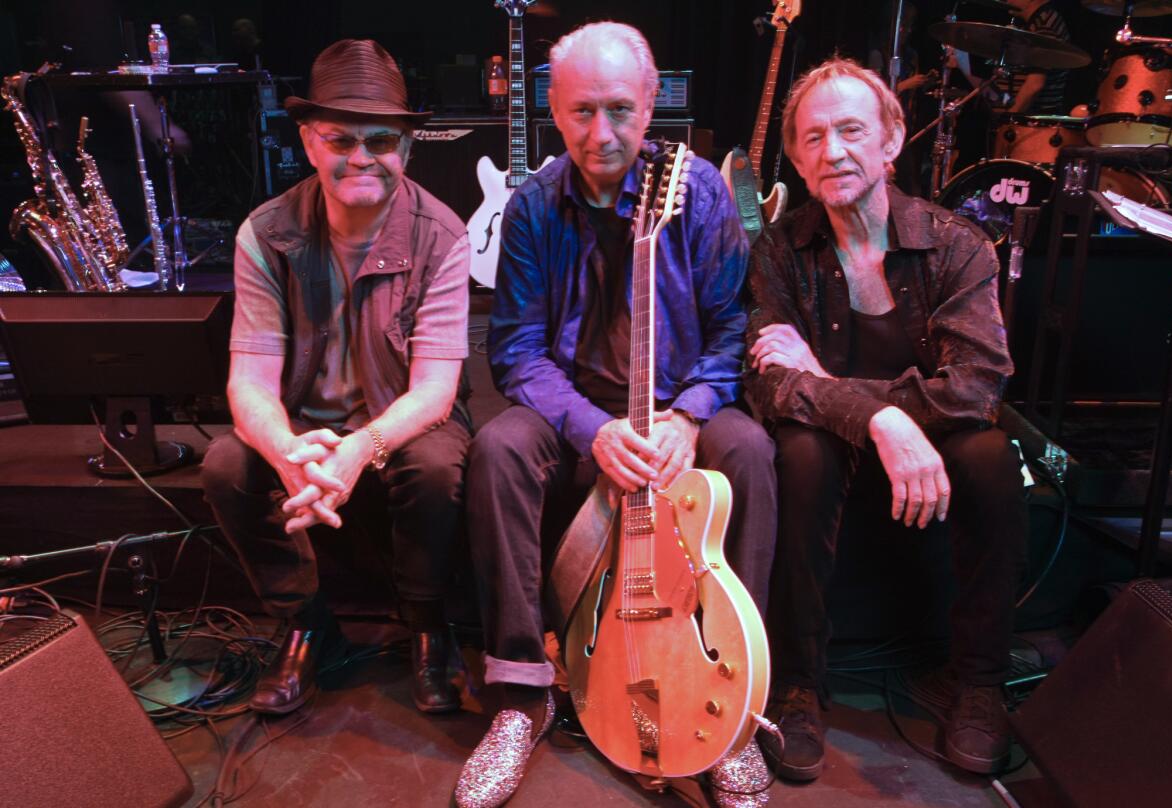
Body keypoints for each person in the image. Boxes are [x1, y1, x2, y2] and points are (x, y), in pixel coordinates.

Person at [455, 21, 778, 808]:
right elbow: (518, 352)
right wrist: (590, 430)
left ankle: (735, 700)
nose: (603, 134)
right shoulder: (533, 207)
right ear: (554, 111)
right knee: (496, 447)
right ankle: (523, 694)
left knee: (753, 454)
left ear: (651, 102)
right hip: (577, 416)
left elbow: (732, 325)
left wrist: (691, 417)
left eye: (622, 111)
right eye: (582, 113)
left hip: (677, 412)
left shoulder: (696, 190)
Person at [745, 57, 1027, 780]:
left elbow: (975, 386)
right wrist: (877, 420)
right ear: (797, 160)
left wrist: (847, 394)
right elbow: (769, 385)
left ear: (892, 141)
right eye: (812, 138)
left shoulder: (957, 243)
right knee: (799, 450)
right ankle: (800, 682)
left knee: (992, 454)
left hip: (933, 443)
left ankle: (979, 682)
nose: (831, 151)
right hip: (843, 446)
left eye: (849, 131)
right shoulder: (780, 249)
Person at [201, 39, 471, 718]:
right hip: (306, 428)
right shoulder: (265, 233)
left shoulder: (441, 235)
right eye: (339, 138)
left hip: (398, 423)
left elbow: (435, 392)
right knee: (227, 465)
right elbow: (249, 386)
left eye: (381, 139)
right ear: (308, 141)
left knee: (436, 466)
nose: (361, 156)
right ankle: (304, 623)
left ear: (407, 146)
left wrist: (359, 450)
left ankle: (427, 625)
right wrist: (290, 451)